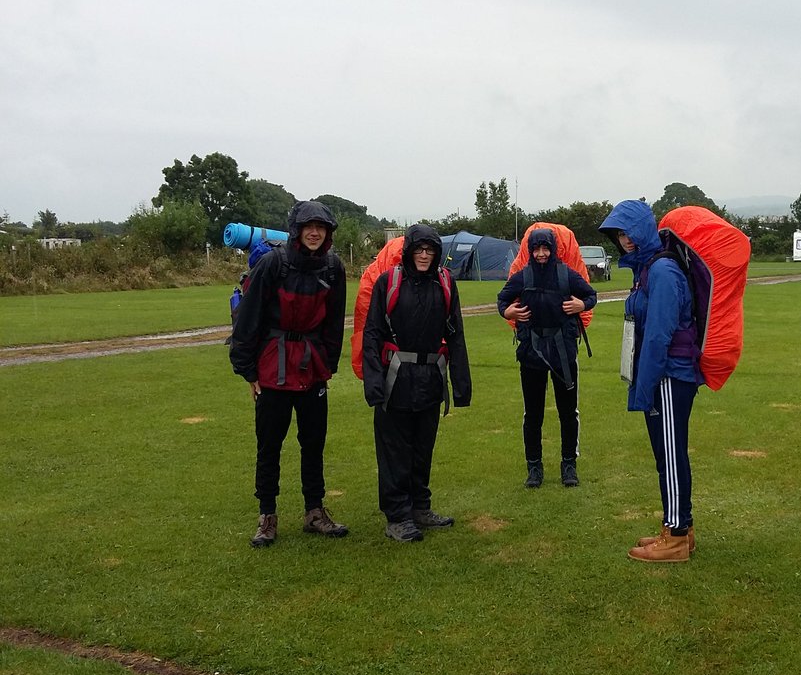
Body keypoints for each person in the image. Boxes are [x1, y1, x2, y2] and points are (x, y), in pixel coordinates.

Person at [229, 200, 349, 548]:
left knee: (313, 443)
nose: (315, 232)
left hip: (312, 367)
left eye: (321, 227)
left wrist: (327, 364)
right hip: (272, 367)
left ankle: (314, 511)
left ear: (327, 233)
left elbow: (333, 322)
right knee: (269, 445)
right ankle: (267, 516)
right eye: (309, 226)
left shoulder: (332, 268)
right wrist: (248, 370)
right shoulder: (272, 264)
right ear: (297, 230)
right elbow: (249, 319)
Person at [599, 200, 702, 562]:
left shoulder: (662, 272)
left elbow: (659, 335)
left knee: (671, 455)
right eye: (619, 234)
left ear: (644, 229)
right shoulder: (646, 269)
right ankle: (679, 526)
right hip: (661, 373)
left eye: (629, 231)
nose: (625, 239)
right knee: (666, 454)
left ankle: (675, 536)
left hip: (670, 375)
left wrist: (645, 386)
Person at [360, 225, 471, 543]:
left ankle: (420, 507)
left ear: (436, 252)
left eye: (430, 250)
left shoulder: (446, 283)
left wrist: (461, 384)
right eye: (419, 249)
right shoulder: (388, 283)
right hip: (395, 378)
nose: (424, 255)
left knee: (423, 448)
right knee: (394, 451)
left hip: (430, 378)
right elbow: (372, 334)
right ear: (408, 251)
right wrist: (373, 383)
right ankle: (397, 515)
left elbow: (456, 334)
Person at [496, 228, 597, 488]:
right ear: (530, 250)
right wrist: (508, 312)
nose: (541, 254)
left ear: (553, 249)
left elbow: (591, 295)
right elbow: (502, 299)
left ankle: (568, 465)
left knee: (567, 411)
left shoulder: (567, 274)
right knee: (533, 414)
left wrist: (581, 306)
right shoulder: (522, 276)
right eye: (536, 249)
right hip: (532, 353)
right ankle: (534, 468)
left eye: (545, 248)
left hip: (563, 352)